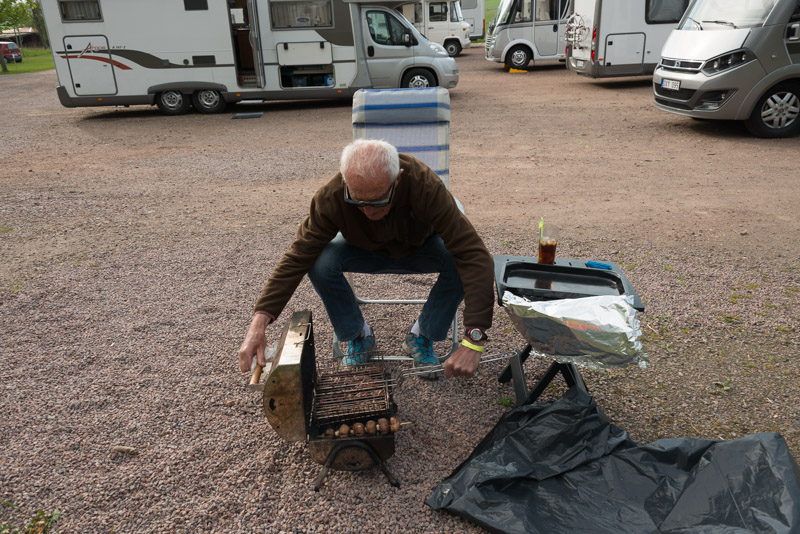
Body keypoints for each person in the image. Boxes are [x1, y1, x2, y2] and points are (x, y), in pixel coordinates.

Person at [237, 139, 494, 380]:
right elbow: (297, 256)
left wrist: (474, 339)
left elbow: (474, 254)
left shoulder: (425, 185)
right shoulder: (332, 196)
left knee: (458, 259)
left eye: (379, 200)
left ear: (397, 179)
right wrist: (259, 322)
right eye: (358, 200)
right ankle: (358, 336)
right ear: (346, 181)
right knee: (319, 261)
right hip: (364, 251)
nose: (369, 210)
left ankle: (422, 335)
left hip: (420, 248)